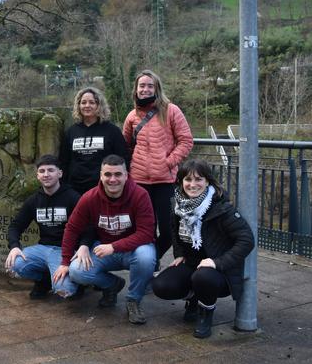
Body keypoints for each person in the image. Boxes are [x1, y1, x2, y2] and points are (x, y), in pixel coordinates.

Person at [152, 159, 254, 338]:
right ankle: (193, 299)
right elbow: (174, 231)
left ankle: (205, 314)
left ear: (208, 181)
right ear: (181, 182)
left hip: (219, 271)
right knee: (161, 286)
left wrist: (217, 262)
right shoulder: (178, 204)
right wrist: (180, 253)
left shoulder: (220, 207)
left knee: (203, 276)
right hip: (191, 263)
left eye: (198, 179)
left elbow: (246, 240)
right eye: (187, 180)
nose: (192, 185)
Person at [54, 154, 156, 325]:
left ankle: (133, 300)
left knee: (146, 257)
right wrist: (64, 261)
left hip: (133, 249)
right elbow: (72, 228)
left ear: (126, 175)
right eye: (107, 174)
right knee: (76, 271)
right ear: (100, 176)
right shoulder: (90, 198)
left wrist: (115, 246)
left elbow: (146, 233)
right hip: (104, 249)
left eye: (117, 174)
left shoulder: (140, 195)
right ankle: (112, 285)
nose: (112, 179)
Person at [122, 70, 193, 265]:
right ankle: (149, 266)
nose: (145, 89)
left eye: (150, 86)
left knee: (170, 229)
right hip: (139, 182)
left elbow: (186, 141)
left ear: (157, 88)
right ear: (136, 89)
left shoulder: (171, 110)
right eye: (142, 86)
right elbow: (125, 146)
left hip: (165, 181)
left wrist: (168, 162)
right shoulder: (132, 117)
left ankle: (153, 258)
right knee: (146, 228)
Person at [5, 155, 86, 299]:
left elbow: (88, 226)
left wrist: (82, 247)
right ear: (37, 176)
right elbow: (15, 226)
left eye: (51, 170)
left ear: (60, 173)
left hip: (65, 250)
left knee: (64, 290)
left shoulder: (73, 197)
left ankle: (77, 282)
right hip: (42, 249)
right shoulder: (34, 200)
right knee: (13, 264)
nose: (46, 174)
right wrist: (14, 246)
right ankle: (44, 281)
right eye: (42, 171)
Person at [59, 87, 128, 195]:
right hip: (75, 189)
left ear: (99, 106)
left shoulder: (112, 131)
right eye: (83, 102)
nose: (87, 106)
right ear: (78, 106)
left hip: (104, 188)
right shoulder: (71, 132)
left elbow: (124, 159)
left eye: (92, 102)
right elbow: (64, 161)